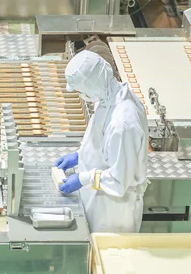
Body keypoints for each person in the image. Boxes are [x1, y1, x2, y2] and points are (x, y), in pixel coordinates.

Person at [55, 50, 149, 233]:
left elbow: (119, 180)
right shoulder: (109, 95)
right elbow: (103, 144)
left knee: (108, 256)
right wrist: (80, 157)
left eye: (81, 90)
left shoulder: (122, 123)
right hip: (98, 197)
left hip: (113, 211)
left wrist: (82, 178)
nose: (81, 94)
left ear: (91, 87)